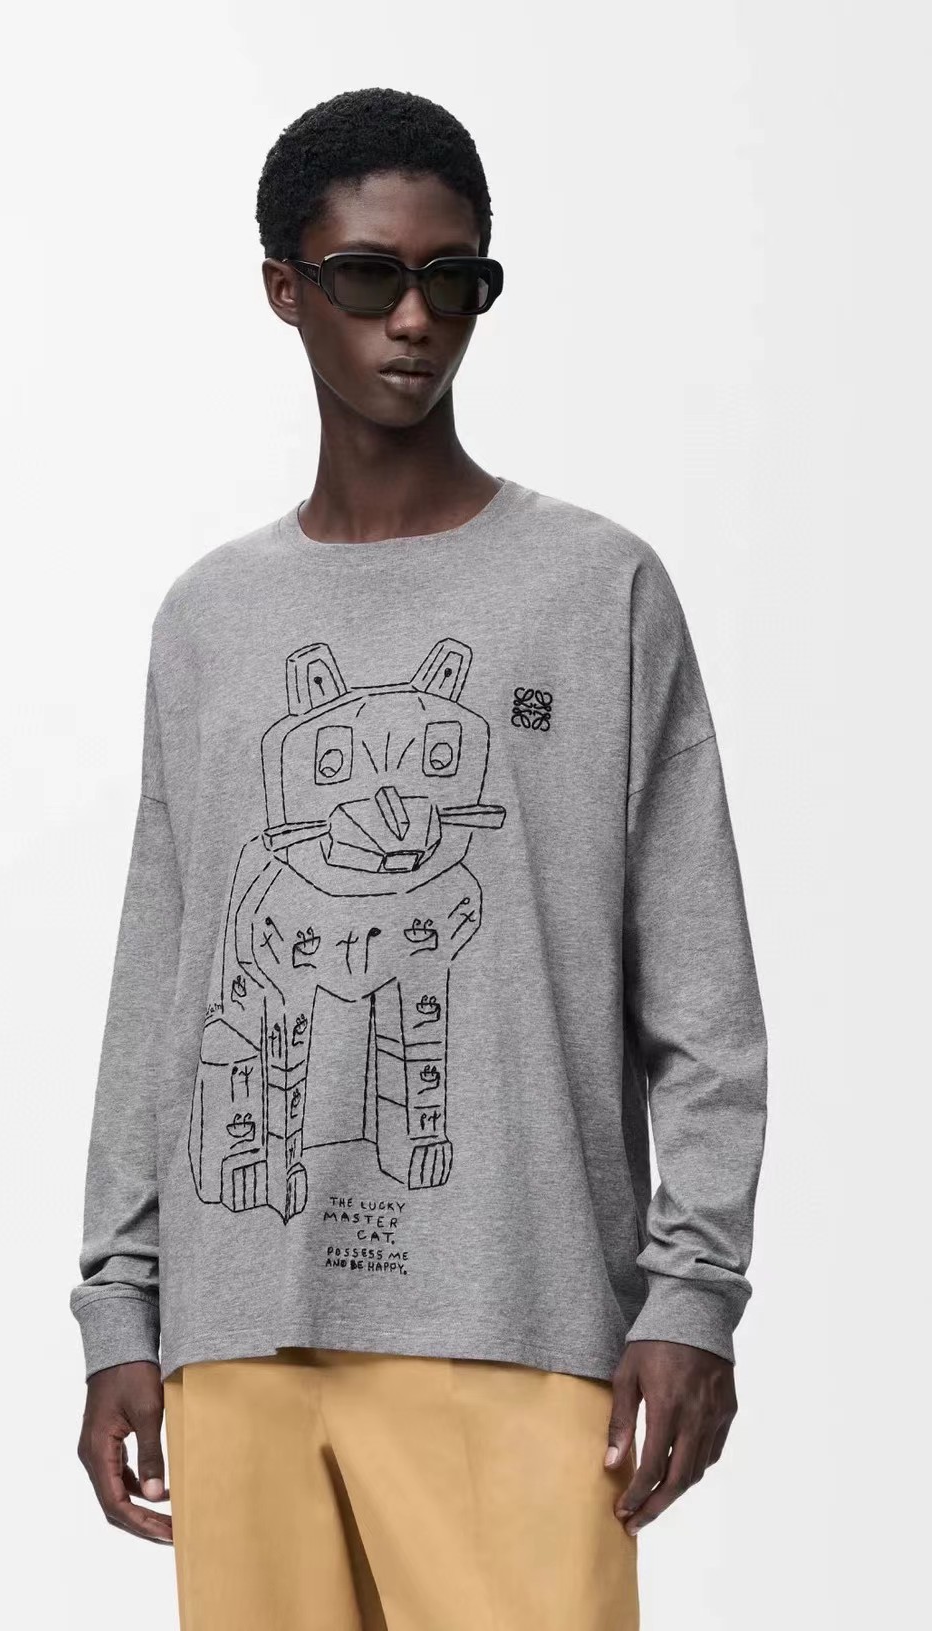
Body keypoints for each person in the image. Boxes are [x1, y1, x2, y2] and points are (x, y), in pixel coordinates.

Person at [71, 86, 768, 1631]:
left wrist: (695, 1291)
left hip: (520, 1322)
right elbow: (165, 974)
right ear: (284, 287)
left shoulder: (596, 591)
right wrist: (121, 1299)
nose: (415, 318)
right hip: (242, 1342)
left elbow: (703, 988)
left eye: (455, 279)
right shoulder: (211, 620)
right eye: (369, 276)